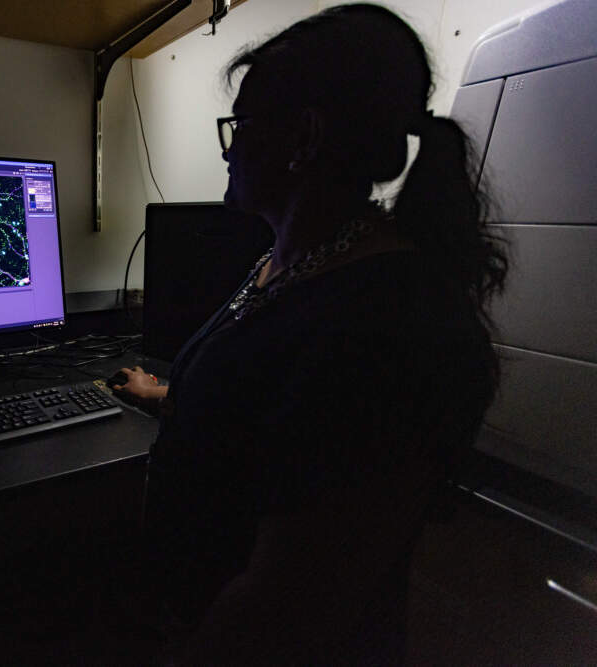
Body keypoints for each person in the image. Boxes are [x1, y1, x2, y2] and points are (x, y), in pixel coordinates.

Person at [111, 4, 508, 664]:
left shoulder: (384, 325)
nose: (231, 147)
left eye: (241, 126)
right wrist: (171, 395)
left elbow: (283, 609)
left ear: (304, 137)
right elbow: (270, 406)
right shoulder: (292, 262)